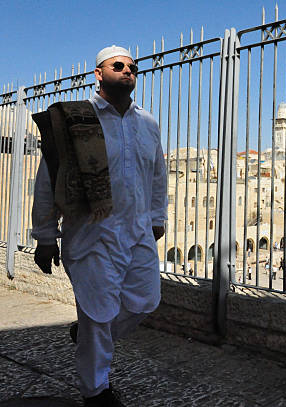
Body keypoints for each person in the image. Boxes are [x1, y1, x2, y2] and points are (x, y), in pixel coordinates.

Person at [32, 46, 167, 406]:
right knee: (98, 313)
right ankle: (96, 391)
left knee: (145, 301)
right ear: (98, 73)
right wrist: (46, 237)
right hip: (91, 233)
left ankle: (89, 332)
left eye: (132, 67)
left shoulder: (148, 123)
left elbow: (158, 175)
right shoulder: (77, 119)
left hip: (137, 231)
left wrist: (157, 218)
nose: (127, 71)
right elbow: (49, 179)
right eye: (118, 65)